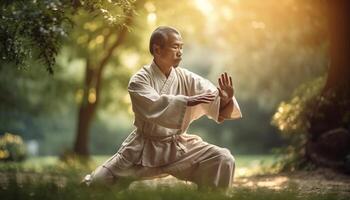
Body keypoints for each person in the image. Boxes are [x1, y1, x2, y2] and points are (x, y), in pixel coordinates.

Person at [82, 26, 242, 190]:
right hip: (143, 148)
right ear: (157, 50)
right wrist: (188, 101)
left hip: (177, 146)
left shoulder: (185, 77)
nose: (180, 52)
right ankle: (89, 182)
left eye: (181, 47)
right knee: (99, 181)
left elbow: (209, 93)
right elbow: (154, 105)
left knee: (223, 158)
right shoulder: (139, 80)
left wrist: (224, 99)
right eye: (175, 47)